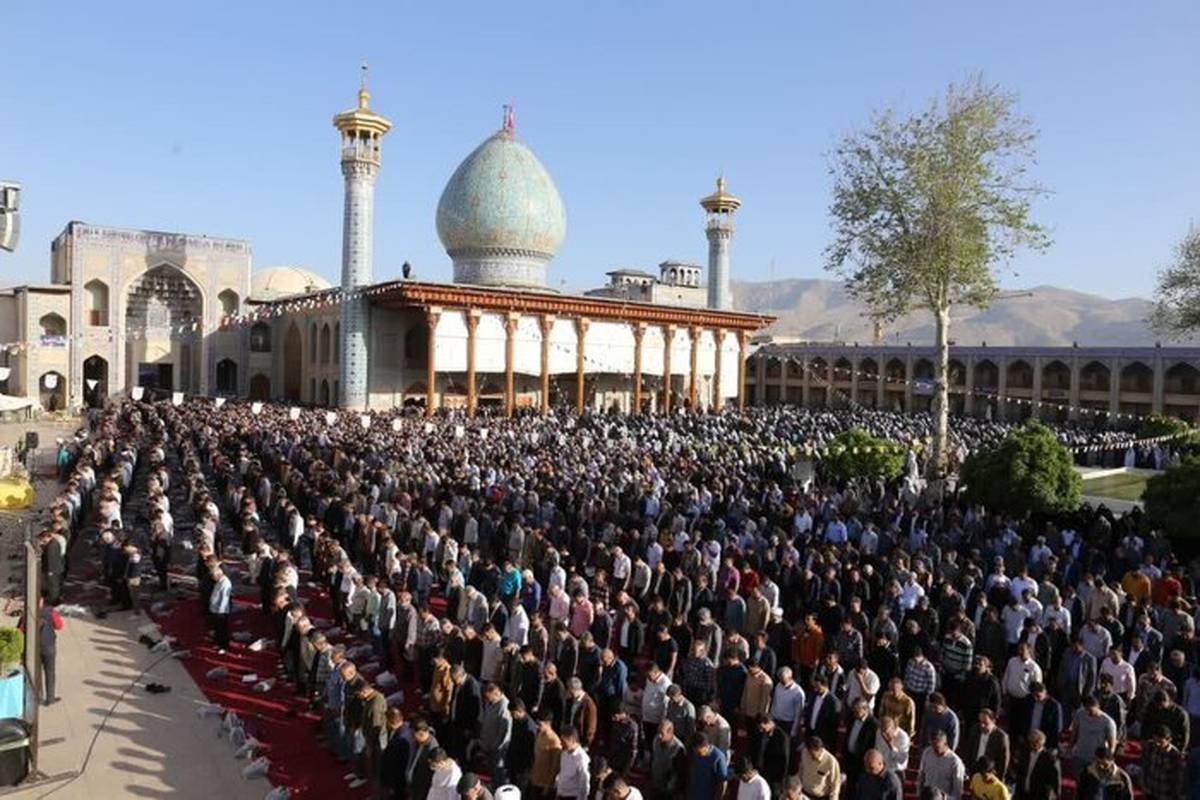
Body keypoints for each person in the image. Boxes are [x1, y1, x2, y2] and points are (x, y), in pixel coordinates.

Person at [917, 730, 965, 800]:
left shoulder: (955, 762)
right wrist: (919, 793)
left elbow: (957, 791)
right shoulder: (927, 753)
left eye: (936, 746)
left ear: (945, 743)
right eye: (932, 745)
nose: (933, 749)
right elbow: (921, 776)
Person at [1014, 730, 1061, 800]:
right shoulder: (1025, 753)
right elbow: (1020, 771)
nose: (1031, 745)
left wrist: (1054, 796)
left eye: (1034, 742)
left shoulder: (1050, 759)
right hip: (1022, 793)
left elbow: (1055, 782)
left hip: (1039, 796)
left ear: (1040, 743)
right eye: (1030, 742)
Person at [797, 735, 840, 800]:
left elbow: (835, 785)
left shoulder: (831, 761)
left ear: (820, 749)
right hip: (804, 794)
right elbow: (801, 770)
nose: (810, 756)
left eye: (812, 754)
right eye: (809, 752)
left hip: (820, 797)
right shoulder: (805, 753)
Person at [687, 733, 729, 800]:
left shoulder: (718, 757)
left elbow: (722, 783)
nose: (696, 754)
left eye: (699, 753)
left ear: (705, 746)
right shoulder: (694, 754)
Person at [557, 726, 591, 800]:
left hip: (573, 796)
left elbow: (584, 783)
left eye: (563, 741)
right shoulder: (564, 754)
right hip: (561, 794)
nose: (561, 744)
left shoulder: (581, 758)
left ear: (572, 740)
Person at [209, 564, 232, 653]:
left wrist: (220, 611)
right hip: (216, 609)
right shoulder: (219, 581)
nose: (212, 578)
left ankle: (223, 646)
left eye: (213, 576)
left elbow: (224, 599)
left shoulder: (225, 583)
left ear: (218, 575)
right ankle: (218, 642)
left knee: (222, 629)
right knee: (218, 628)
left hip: (221, 611)